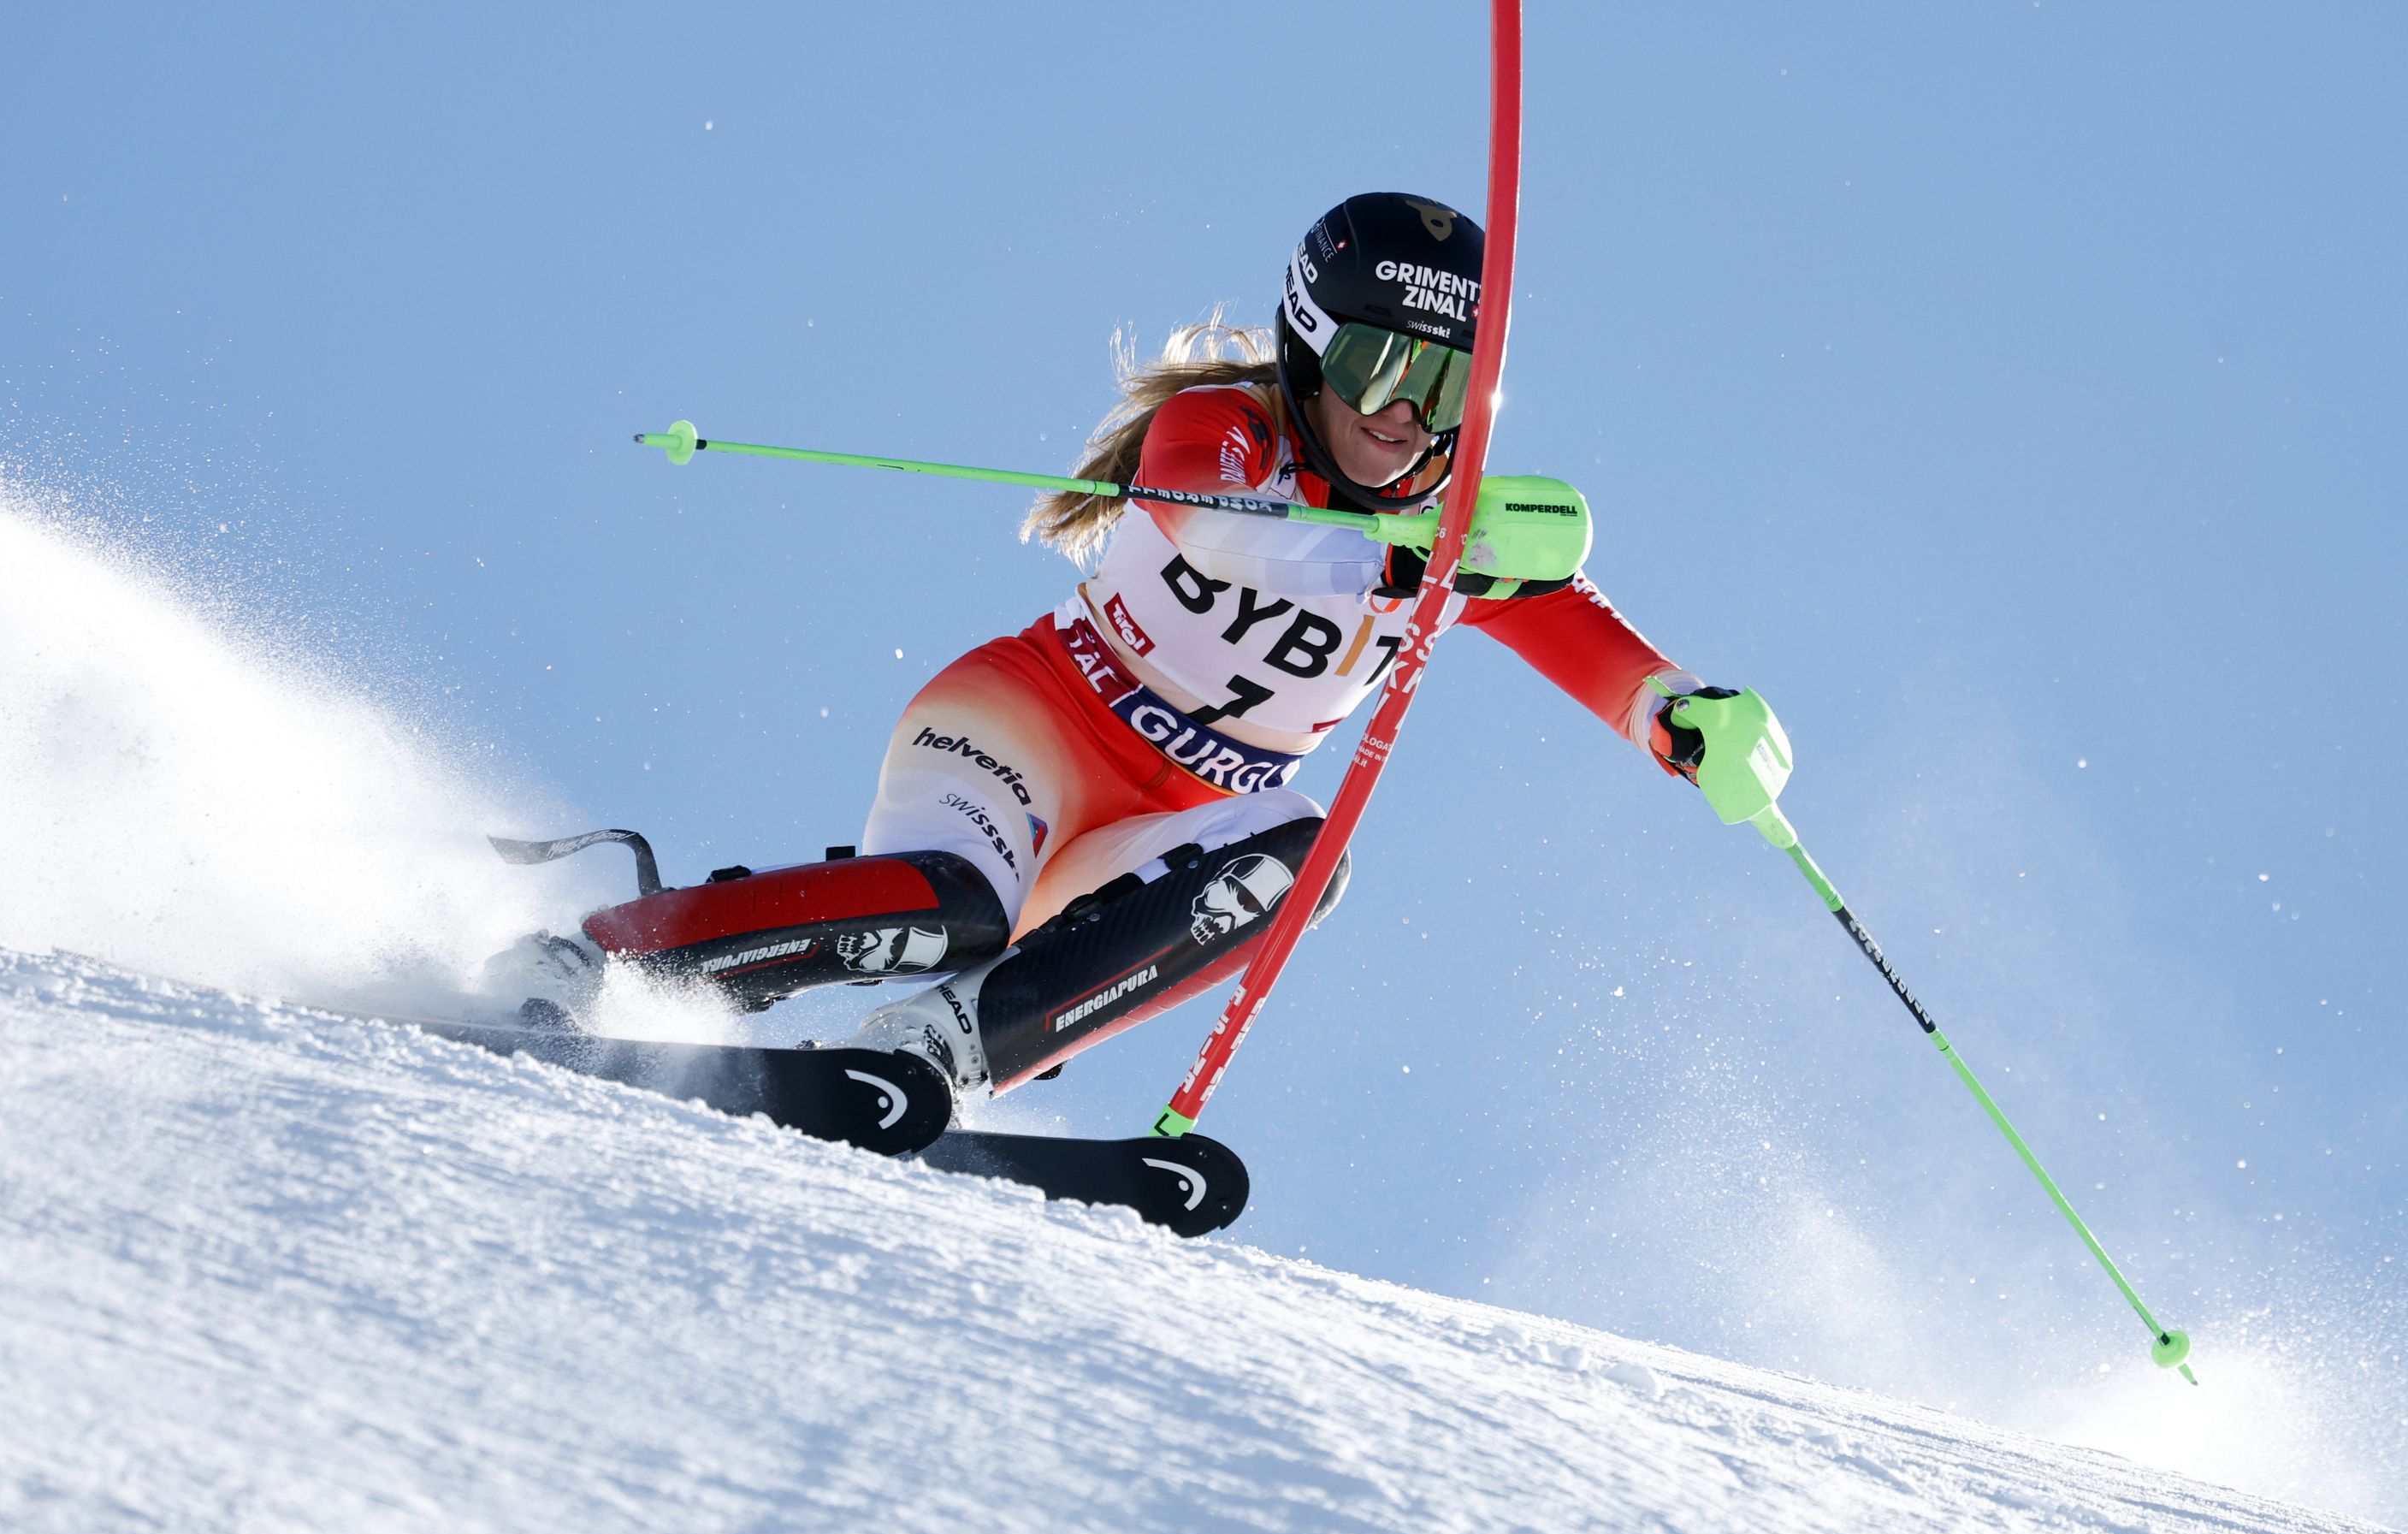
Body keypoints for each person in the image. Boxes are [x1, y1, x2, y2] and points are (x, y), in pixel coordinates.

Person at [514, 192, 1757, 1103]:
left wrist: (1683, 717)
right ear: (1313, 346)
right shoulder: (1227, 431)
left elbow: (1576, 628)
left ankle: (944, 1049)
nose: (1400, 414)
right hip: (1030, 730)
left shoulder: (1448, 523)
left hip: (1175, 824)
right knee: (952, 909)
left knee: (1303, 863)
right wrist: (1408, 557)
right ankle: (590, 958)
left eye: (1442, 387)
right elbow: (1209, 524)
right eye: (1379, 365)